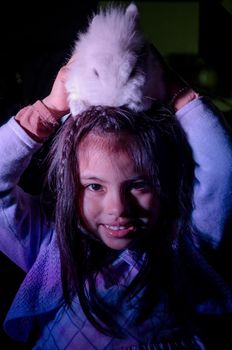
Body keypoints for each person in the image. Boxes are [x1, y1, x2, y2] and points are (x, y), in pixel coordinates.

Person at [0, 47, 232, 349]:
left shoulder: (184, 248)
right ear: (70, 185)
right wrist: (49, 110)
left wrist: (174, 90)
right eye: (95, 186)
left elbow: (223, 168)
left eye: (138, 185)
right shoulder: (51, 248)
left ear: (165, 184)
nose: (119, 209)